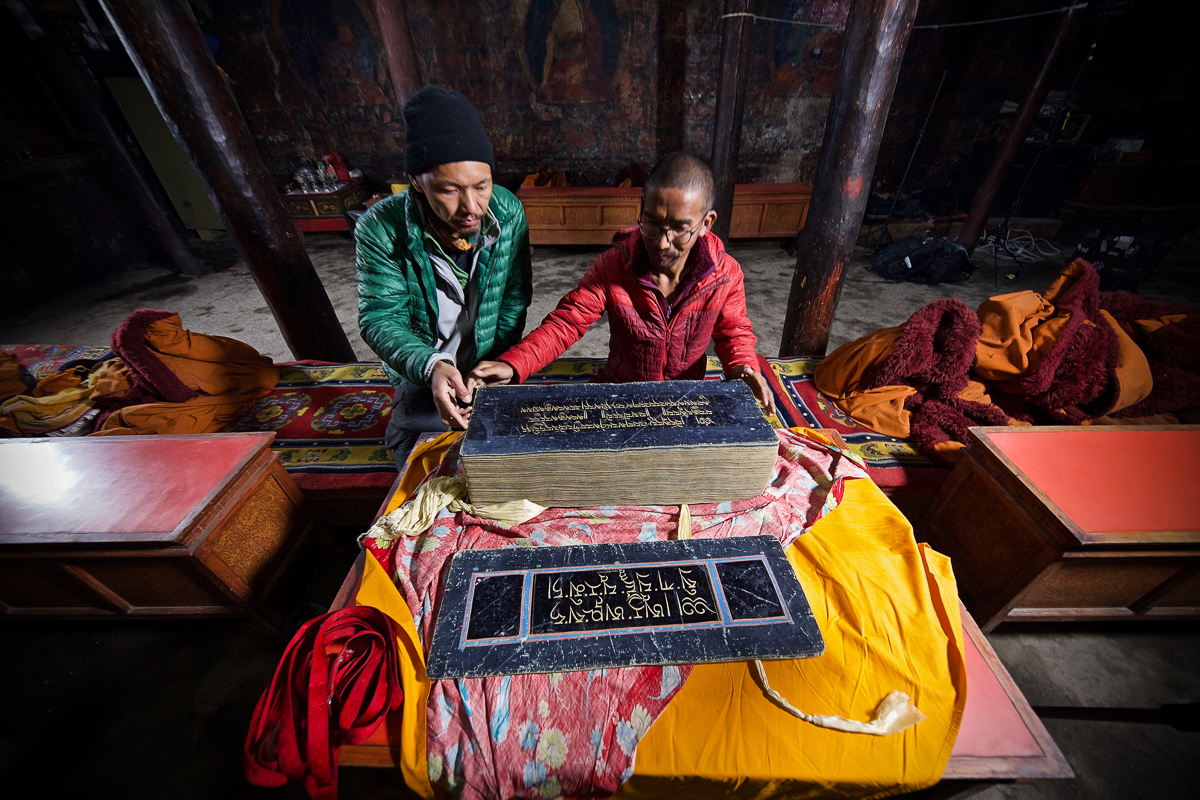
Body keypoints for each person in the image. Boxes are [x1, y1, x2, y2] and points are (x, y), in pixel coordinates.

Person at [468, 152, 774, 417]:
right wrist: (513, 364)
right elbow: (567, 322)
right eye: (652, 222)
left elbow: (734, 332)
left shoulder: (725, 275)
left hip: (685, 396)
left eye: (680, 229)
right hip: (618, 392)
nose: (663, 243)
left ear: (706, 224)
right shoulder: (616, 265)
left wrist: (743, 368)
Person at [356, 86, 532, 466]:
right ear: (417, 181)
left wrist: (495, 365)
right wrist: (432, 365)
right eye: (450, 190)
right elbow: (380, 318)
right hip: (422, 368)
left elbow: (515, 298)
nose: (471, 208)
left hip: (483, 364)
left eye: (481, 186)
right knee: (422, 457)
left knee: (512, 448)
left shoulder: (507, 211)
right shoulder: (381, 227)